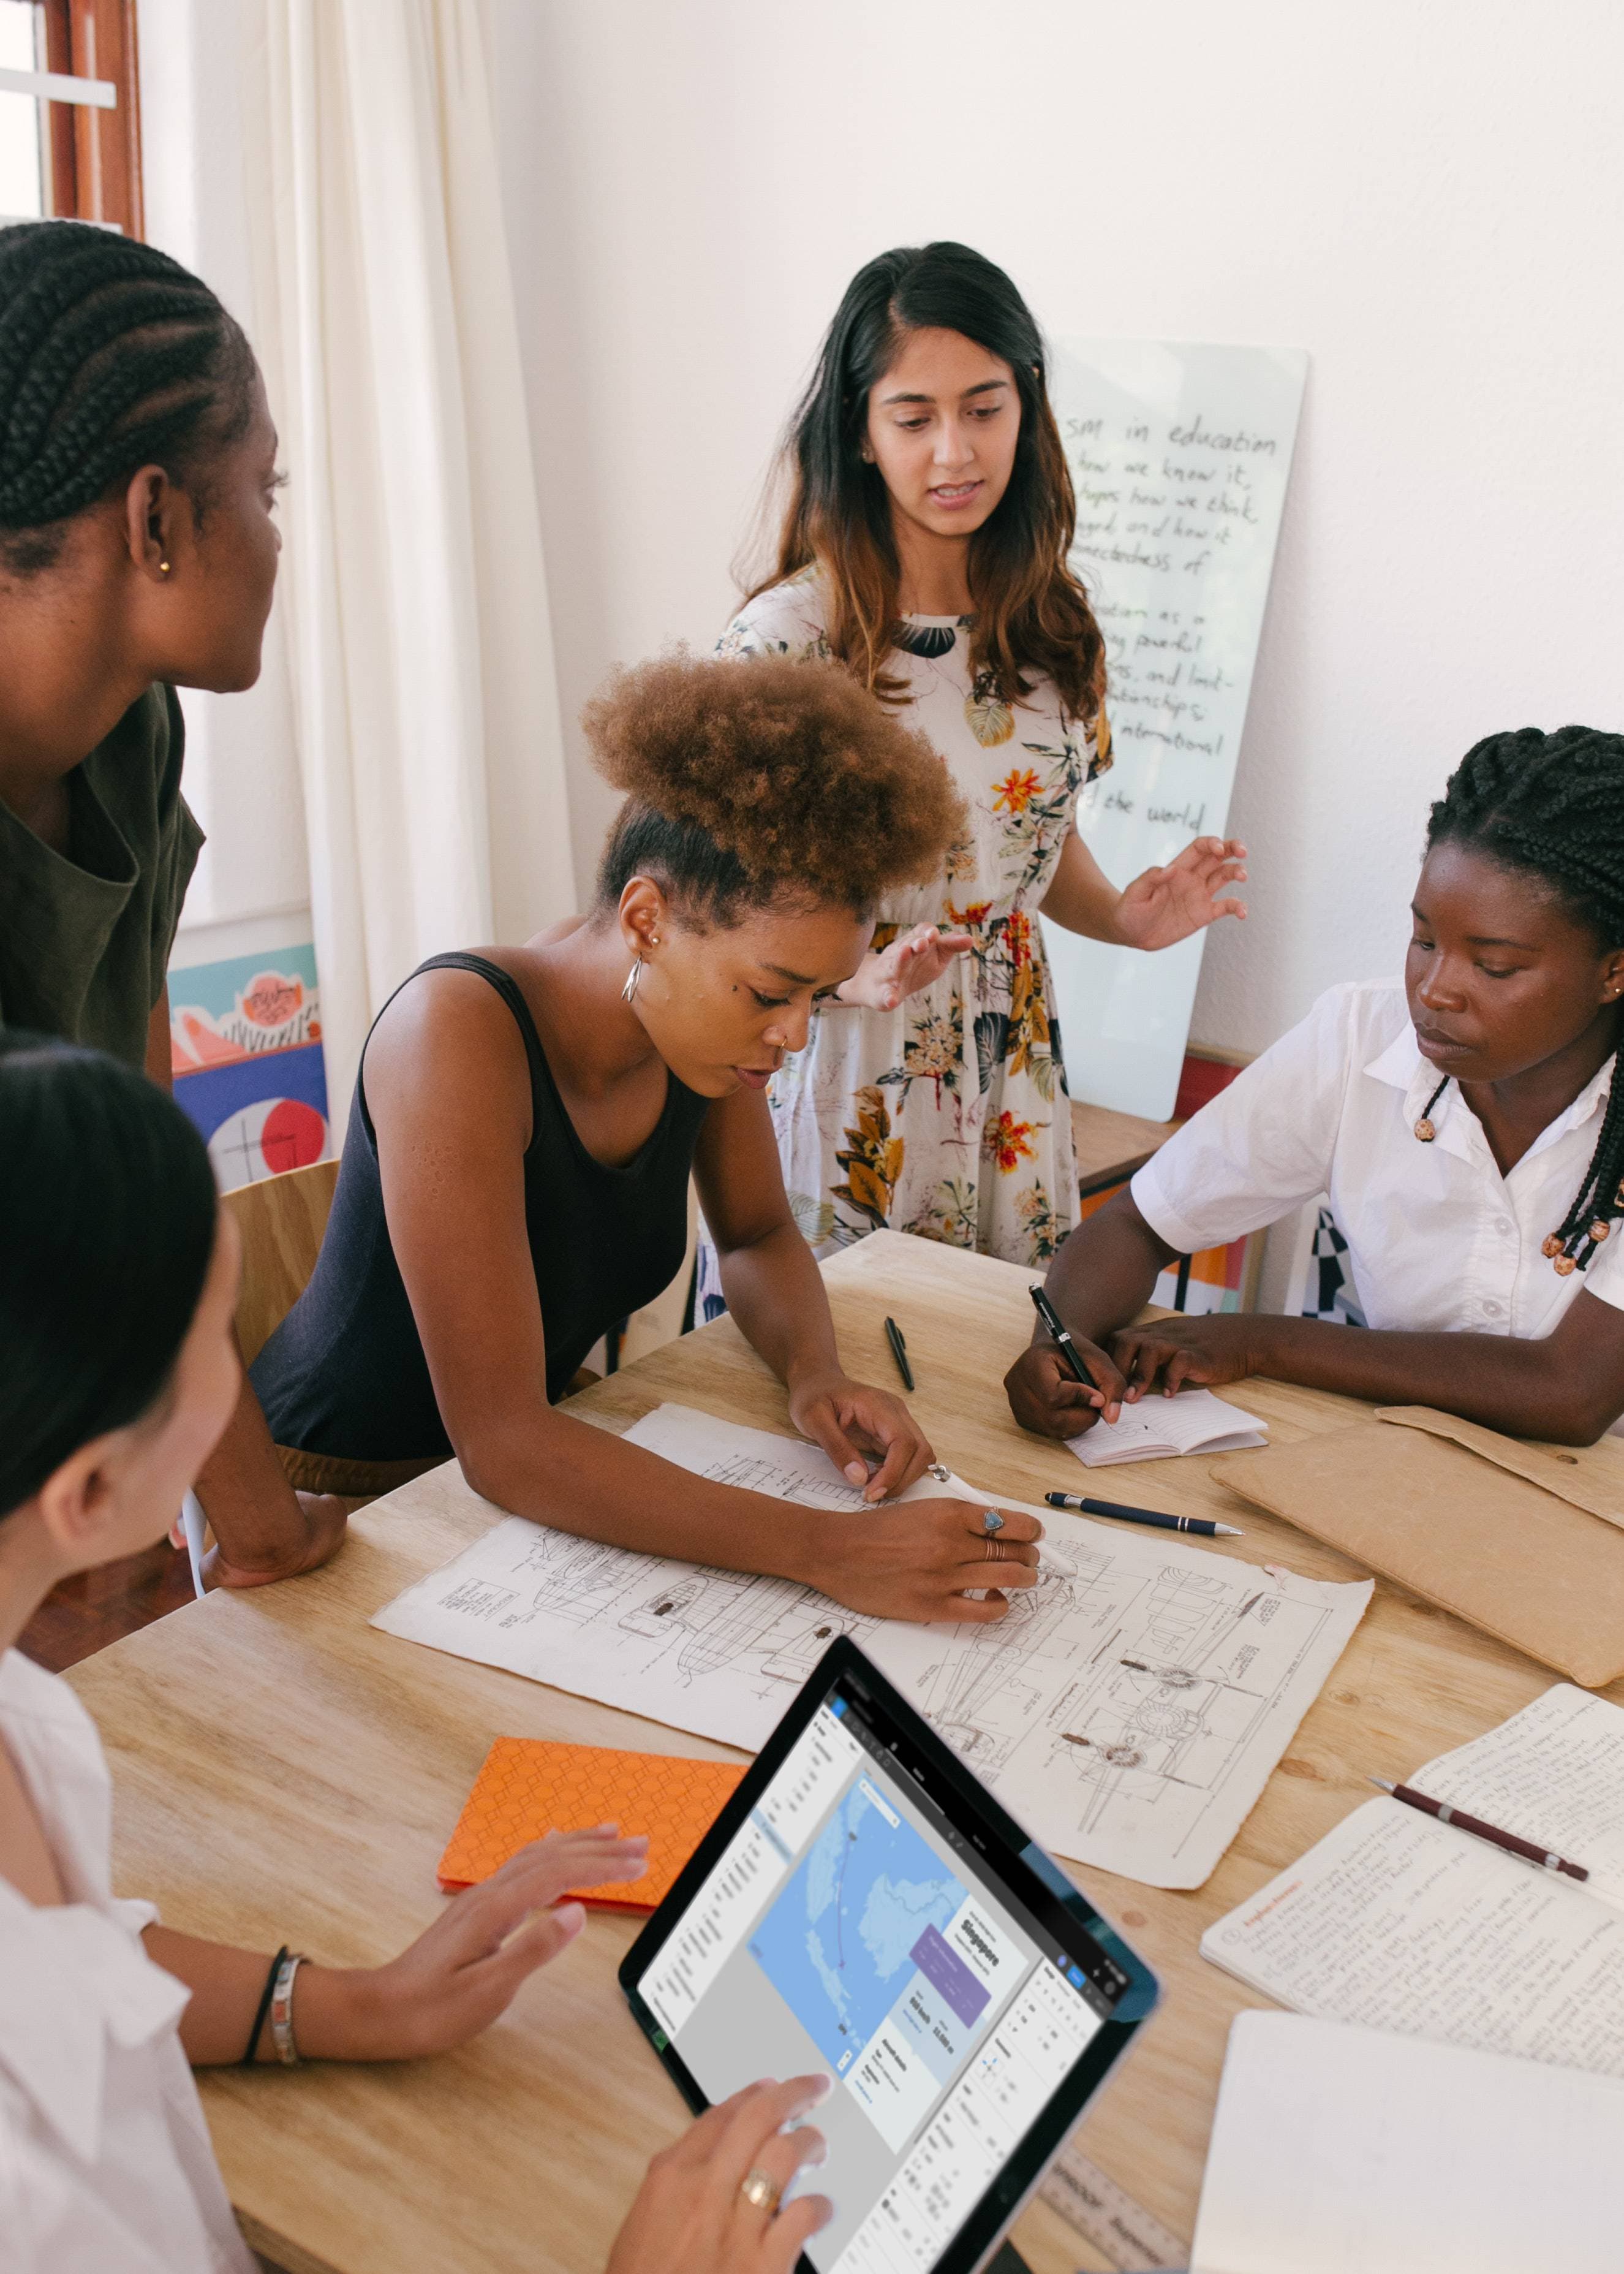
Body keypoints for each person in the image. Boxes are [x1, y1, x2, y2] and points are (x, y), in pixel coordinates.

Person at [0, 1031, 833, 2273]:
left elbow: (57, 1968)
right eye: (216, 1352)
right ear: (90, 1490)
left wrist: (331, 2003)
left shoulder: (26, 1708)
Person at [252, 652, 1047, 1621]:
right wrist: (826, 1546)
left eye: (816, 993)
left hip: (541, 1447)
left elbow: (754, 1234)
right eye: (769, 991)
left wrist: (814, 1373)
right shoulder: (454, 1034)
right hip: (341, 1491)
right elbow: (500, 1443)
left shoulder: (699, 1036)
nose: (795, 1033)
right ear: (646, 919)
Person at [711, 240, 1247, 1282]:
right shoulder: (783, 647)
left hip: (1008, 1065)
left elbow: (1029, 857)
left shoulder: (1051, 628)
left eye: (984, 407)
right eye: (914, 418)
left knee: (998, 1382)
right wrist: (848, 977)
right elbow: (704, 915)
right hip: (837, 1068)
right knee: (829, 1399)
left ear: (1027, 406)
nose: (953, 451)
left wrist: (1132, 921)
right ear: (861, 433)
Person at [0, 218, 342, 1590]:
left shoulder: (135, 734)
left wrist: (245, 1521)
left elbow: (143, 1162)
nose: (274, 538)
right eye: (263, 492)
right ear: (154, 520)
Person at [1005, 726, 1624, 1448]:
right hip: (1401, 1463)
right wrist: (1062, 1340)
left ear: (1613, 970)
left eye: (1492, 967)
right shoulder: (1360, 1038)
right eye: (1423, 940)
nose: (1433, 990)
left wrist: (1257, 1343)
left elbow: (1571, 1393)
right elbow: (1139, 1224)